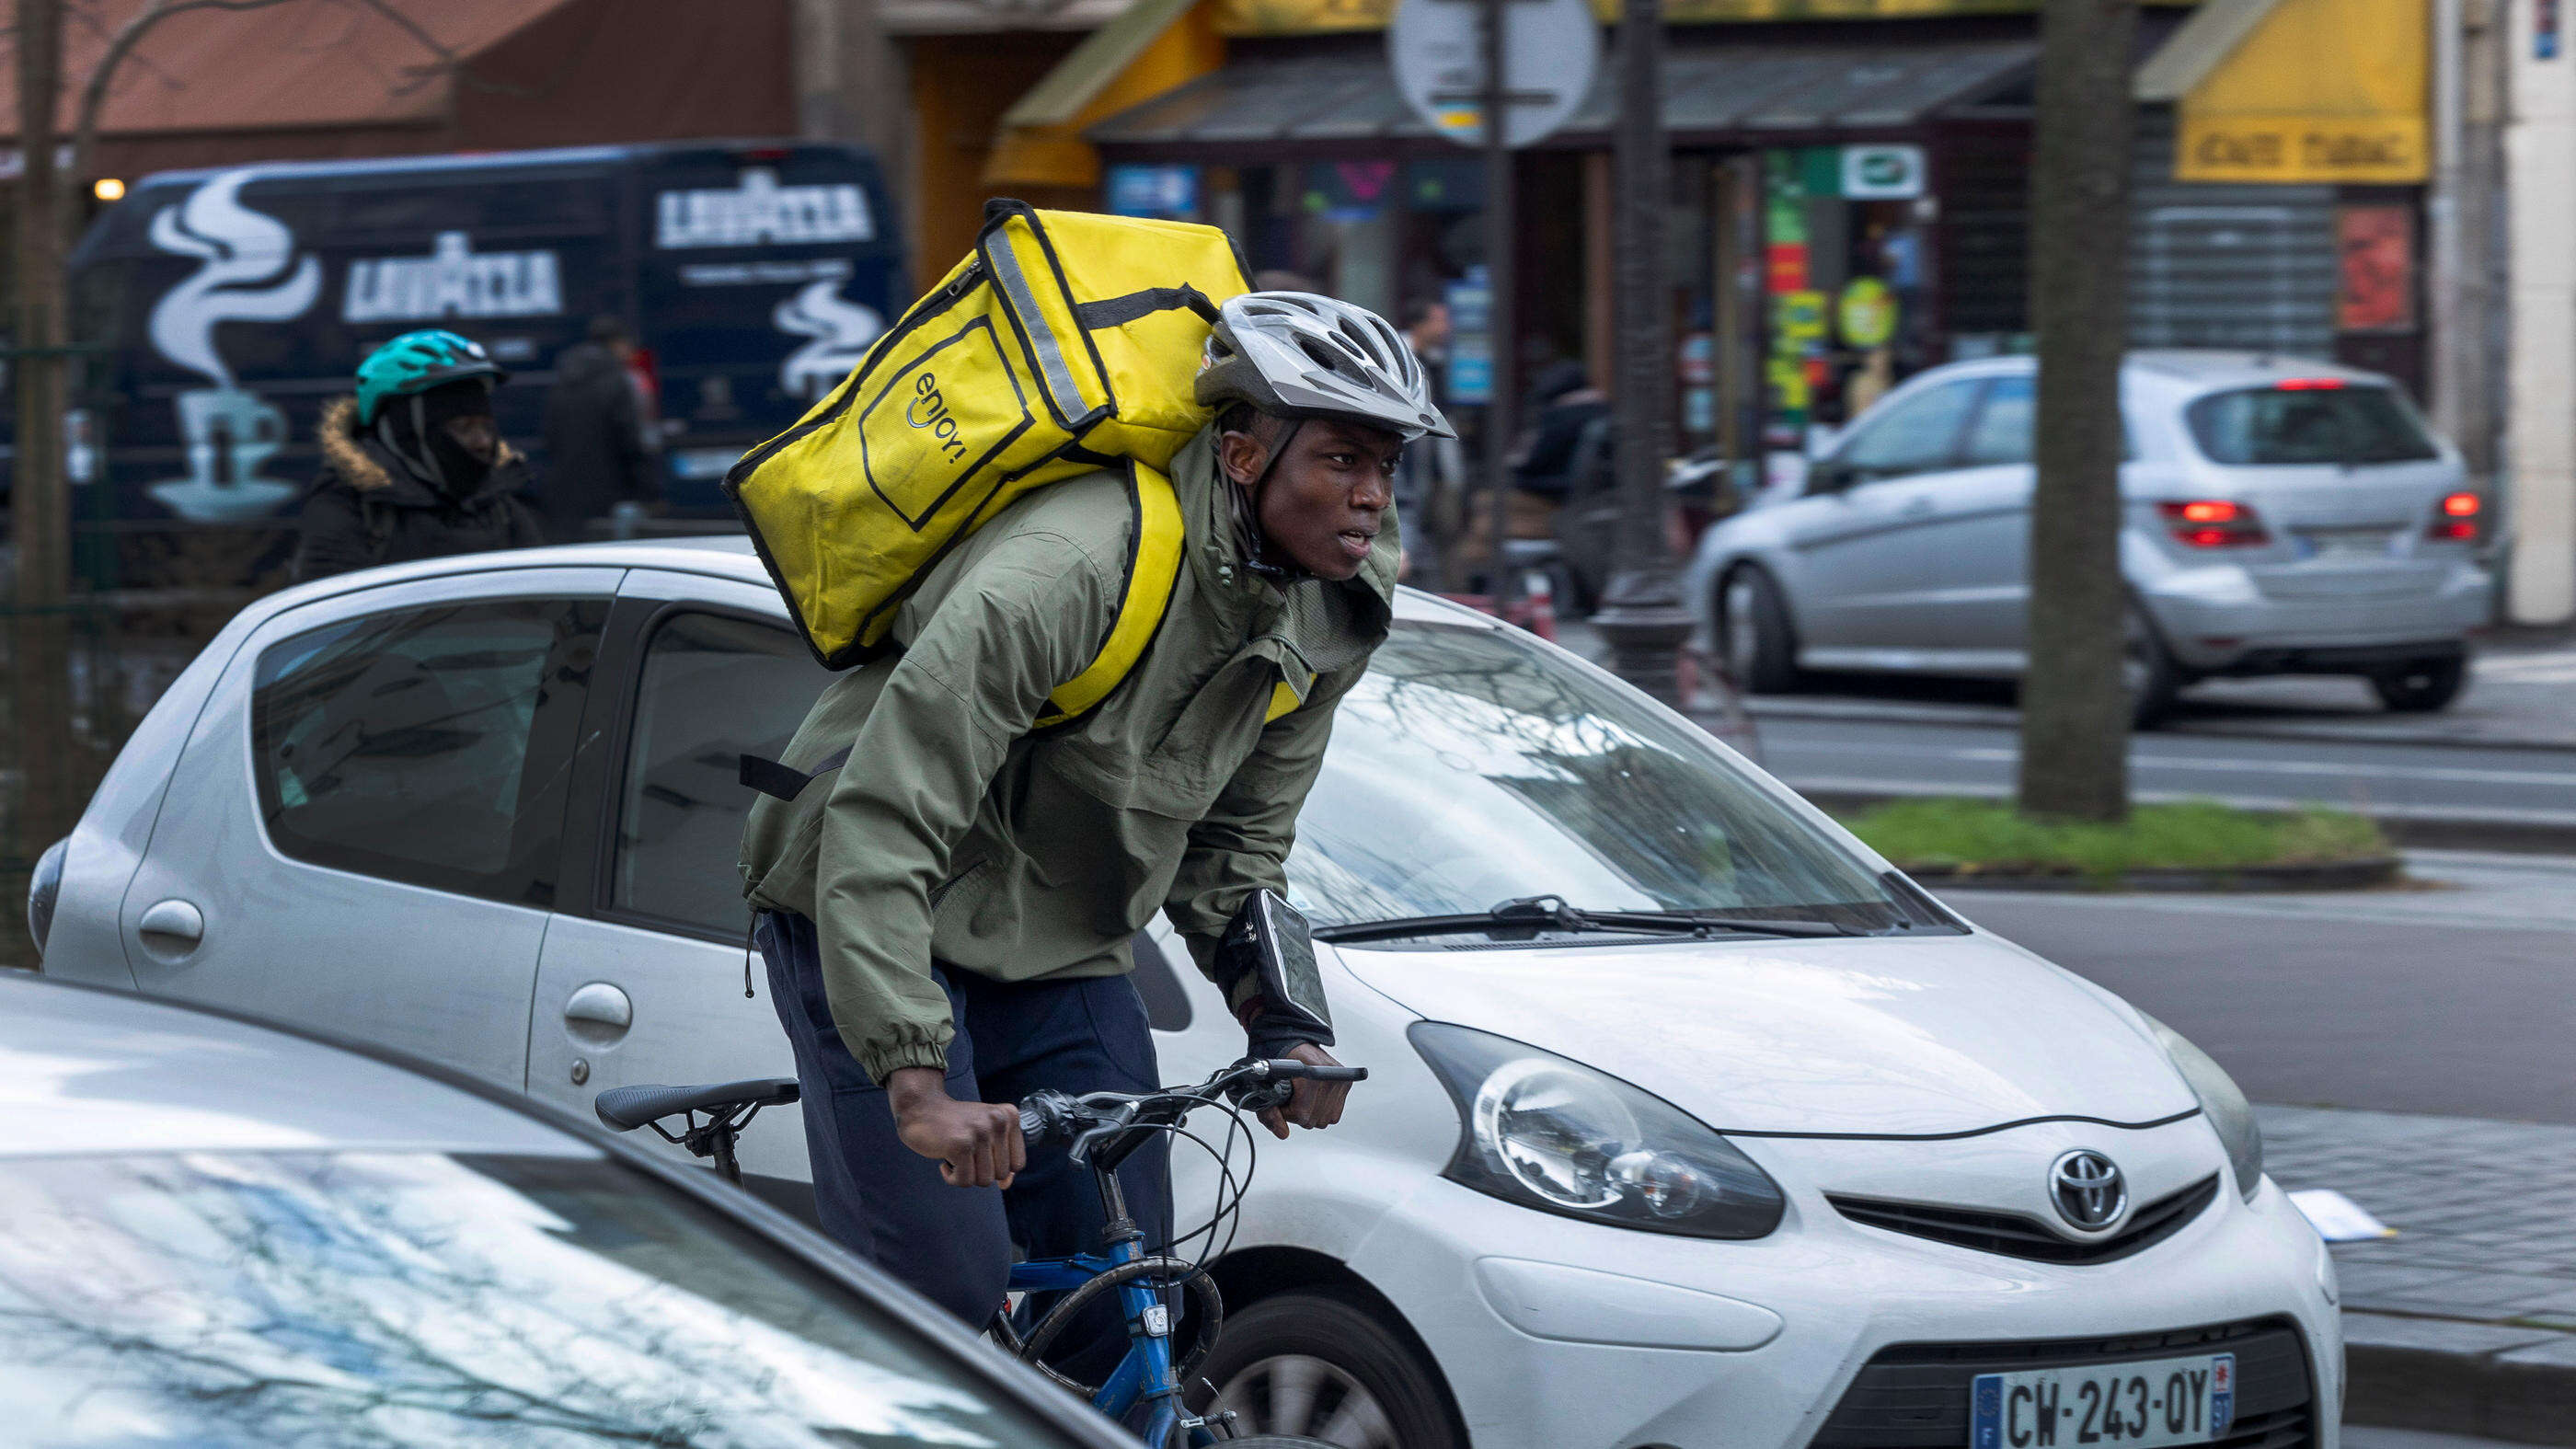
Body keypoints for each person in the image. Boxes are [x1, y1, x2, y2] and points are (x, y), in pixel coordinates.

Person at [738, 292, 1450, 1372]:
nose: (1369, 498)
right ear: (1246, 455)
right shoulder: (1068, 570)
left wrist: (1281, 1019)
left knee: (1127, 1293)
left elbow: (1239, 851)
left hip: (1058, 940)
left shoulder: (1332, 610)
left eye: (1387, 467)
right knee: (943, 1289)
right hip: (872, 908)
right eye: (1341, 460)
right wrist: (918, 1079)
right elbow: (885, 817)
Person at [294, 330, 543, 581]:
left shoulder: (501, 504)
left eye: (486, 427)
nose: (483, 441)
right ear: (405, 430)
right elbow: (332, 611)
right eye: (463, 428)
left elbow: (544, 601)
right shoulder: (351, 507)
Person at [538, 315, 661, 543]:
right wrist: (649, 490)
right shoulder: (617, 381)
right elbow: (629, 439)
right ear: (617, 343)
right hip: (611, 491)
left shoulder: (563, 380)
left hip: (567, 491)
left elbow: (550, 437)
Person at [1393, 298, 1461, 585]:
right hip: (1405, 462)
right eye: (1439, 320)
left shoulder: (1435, 361)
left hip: (1434, 464)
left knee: (1443, 531)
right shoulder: (1400, 358)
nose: (1446, 327)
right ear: (1419, 324)